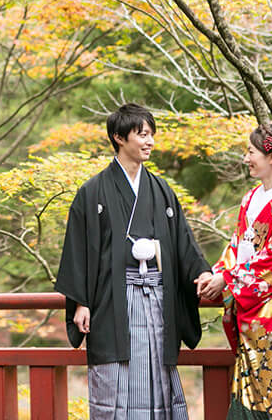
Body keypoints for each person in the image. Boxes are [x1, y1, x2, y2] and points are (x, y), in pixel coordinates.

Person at [55, 103, 214, 420]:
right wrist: (81, 302)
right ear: (119, 137)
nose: (149, 141)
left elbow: (183, 241)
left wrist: (202, 273)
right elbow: (78, 249)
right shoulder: (92, 191)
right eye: (142, 134)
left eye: (151, 134)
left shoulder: (161, 190)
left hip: (156, 299)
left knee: (156, 372)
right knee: (115, 376)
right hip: (112, 302)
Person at [198, 116, 272, 420]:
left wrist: (227, 278)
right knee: (250, 396)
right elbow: (236, 246)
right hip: (249, 314)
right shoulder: (250, 199)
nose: (246, 158)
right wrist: (217, 273)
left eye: (252, 152)